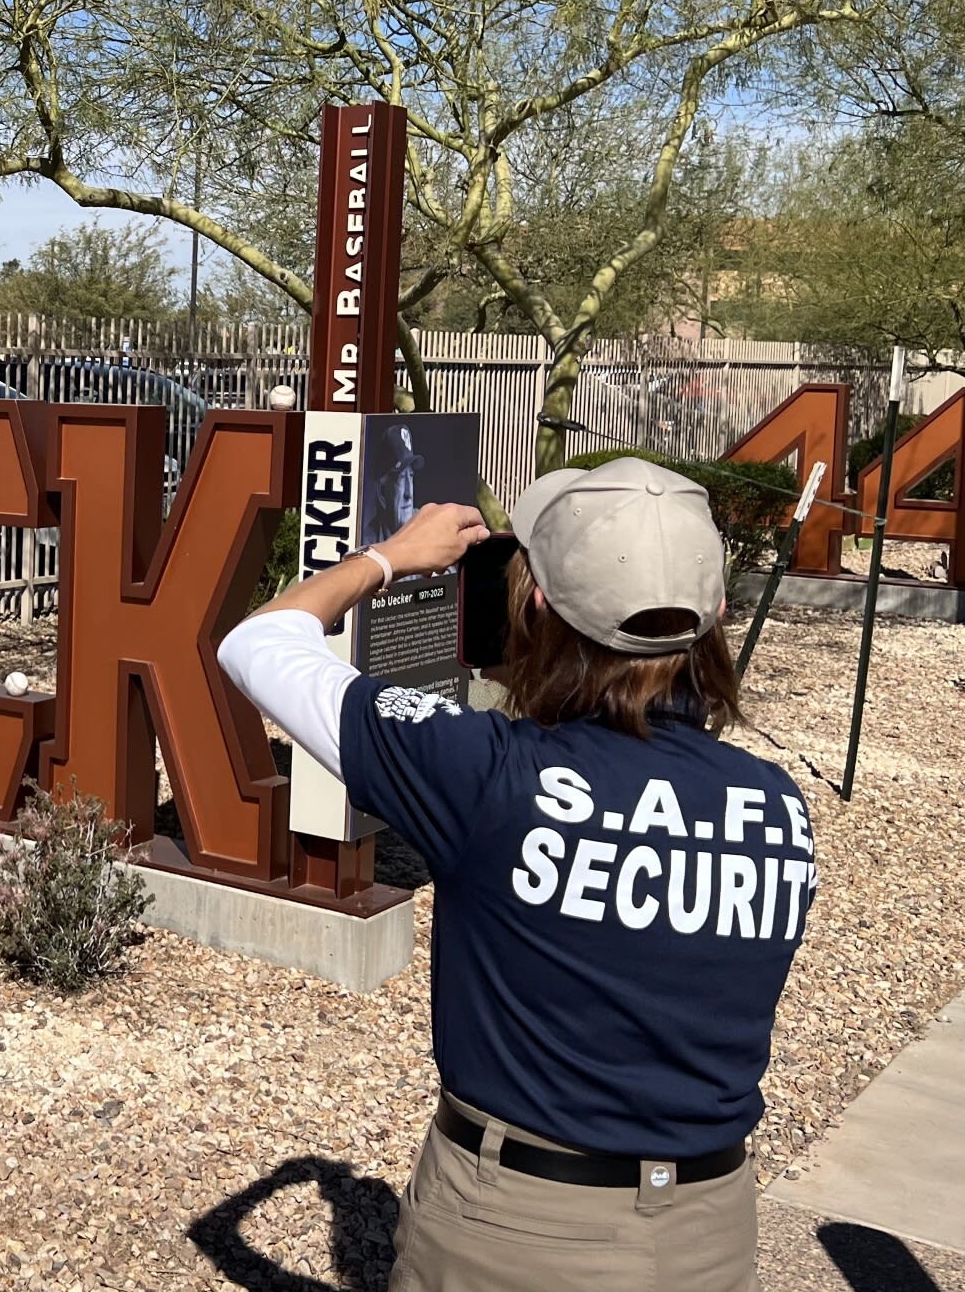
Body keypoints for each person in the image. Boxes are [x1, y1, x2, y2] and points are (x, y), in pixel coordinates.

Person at [218, 458, 816, 1292]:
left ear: (534, 605)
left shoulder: (485, 773)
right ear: (714, 613)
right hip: (708, 1228)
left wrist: (392, 555)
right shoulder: (778, 806)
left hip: (516, 1223)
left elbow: (255, 643)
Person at [361, 424, 422, 544]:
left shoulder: (429, 527)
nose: (408, 494)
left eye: (411, 476)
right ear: (382, 492)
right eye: (401, 478)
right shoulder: (367, 544)